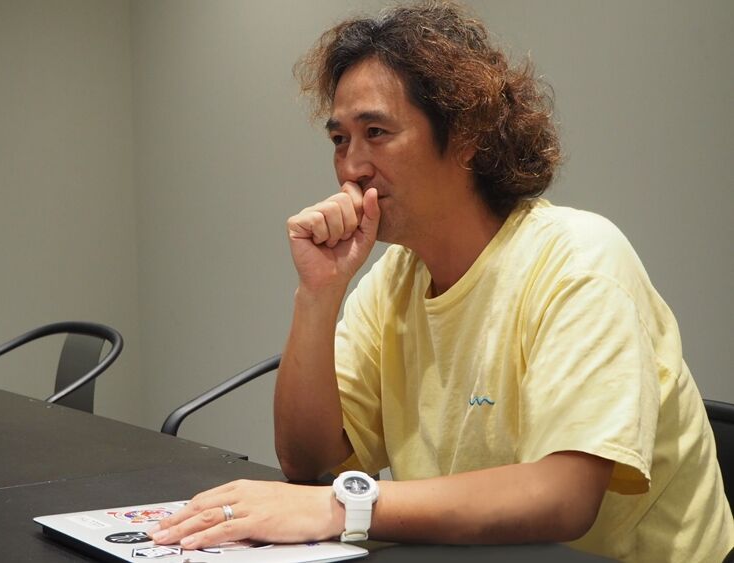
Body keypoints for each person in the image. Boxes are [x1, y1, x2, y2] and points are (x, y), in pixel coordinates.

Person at [151, 2, 734, 561]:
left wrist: (345, 508)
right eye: (339, 139)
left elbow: (562, 498)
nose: (351, 167)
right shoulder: (394, 278)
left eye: (376, 132)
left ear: (466, 136)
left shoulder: (579, 261)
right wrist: (318, 295)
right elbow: (311, 462)